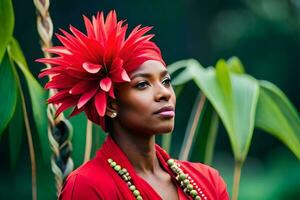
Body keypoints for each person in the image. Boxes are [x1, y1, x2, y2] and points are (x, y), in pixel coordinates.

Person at [37, 10, 230, 200]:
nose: (164, 93)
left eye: (166, 81)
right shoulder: (87, 187)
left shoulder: (208, 181)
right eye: (143, 84)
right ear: (111, 105)